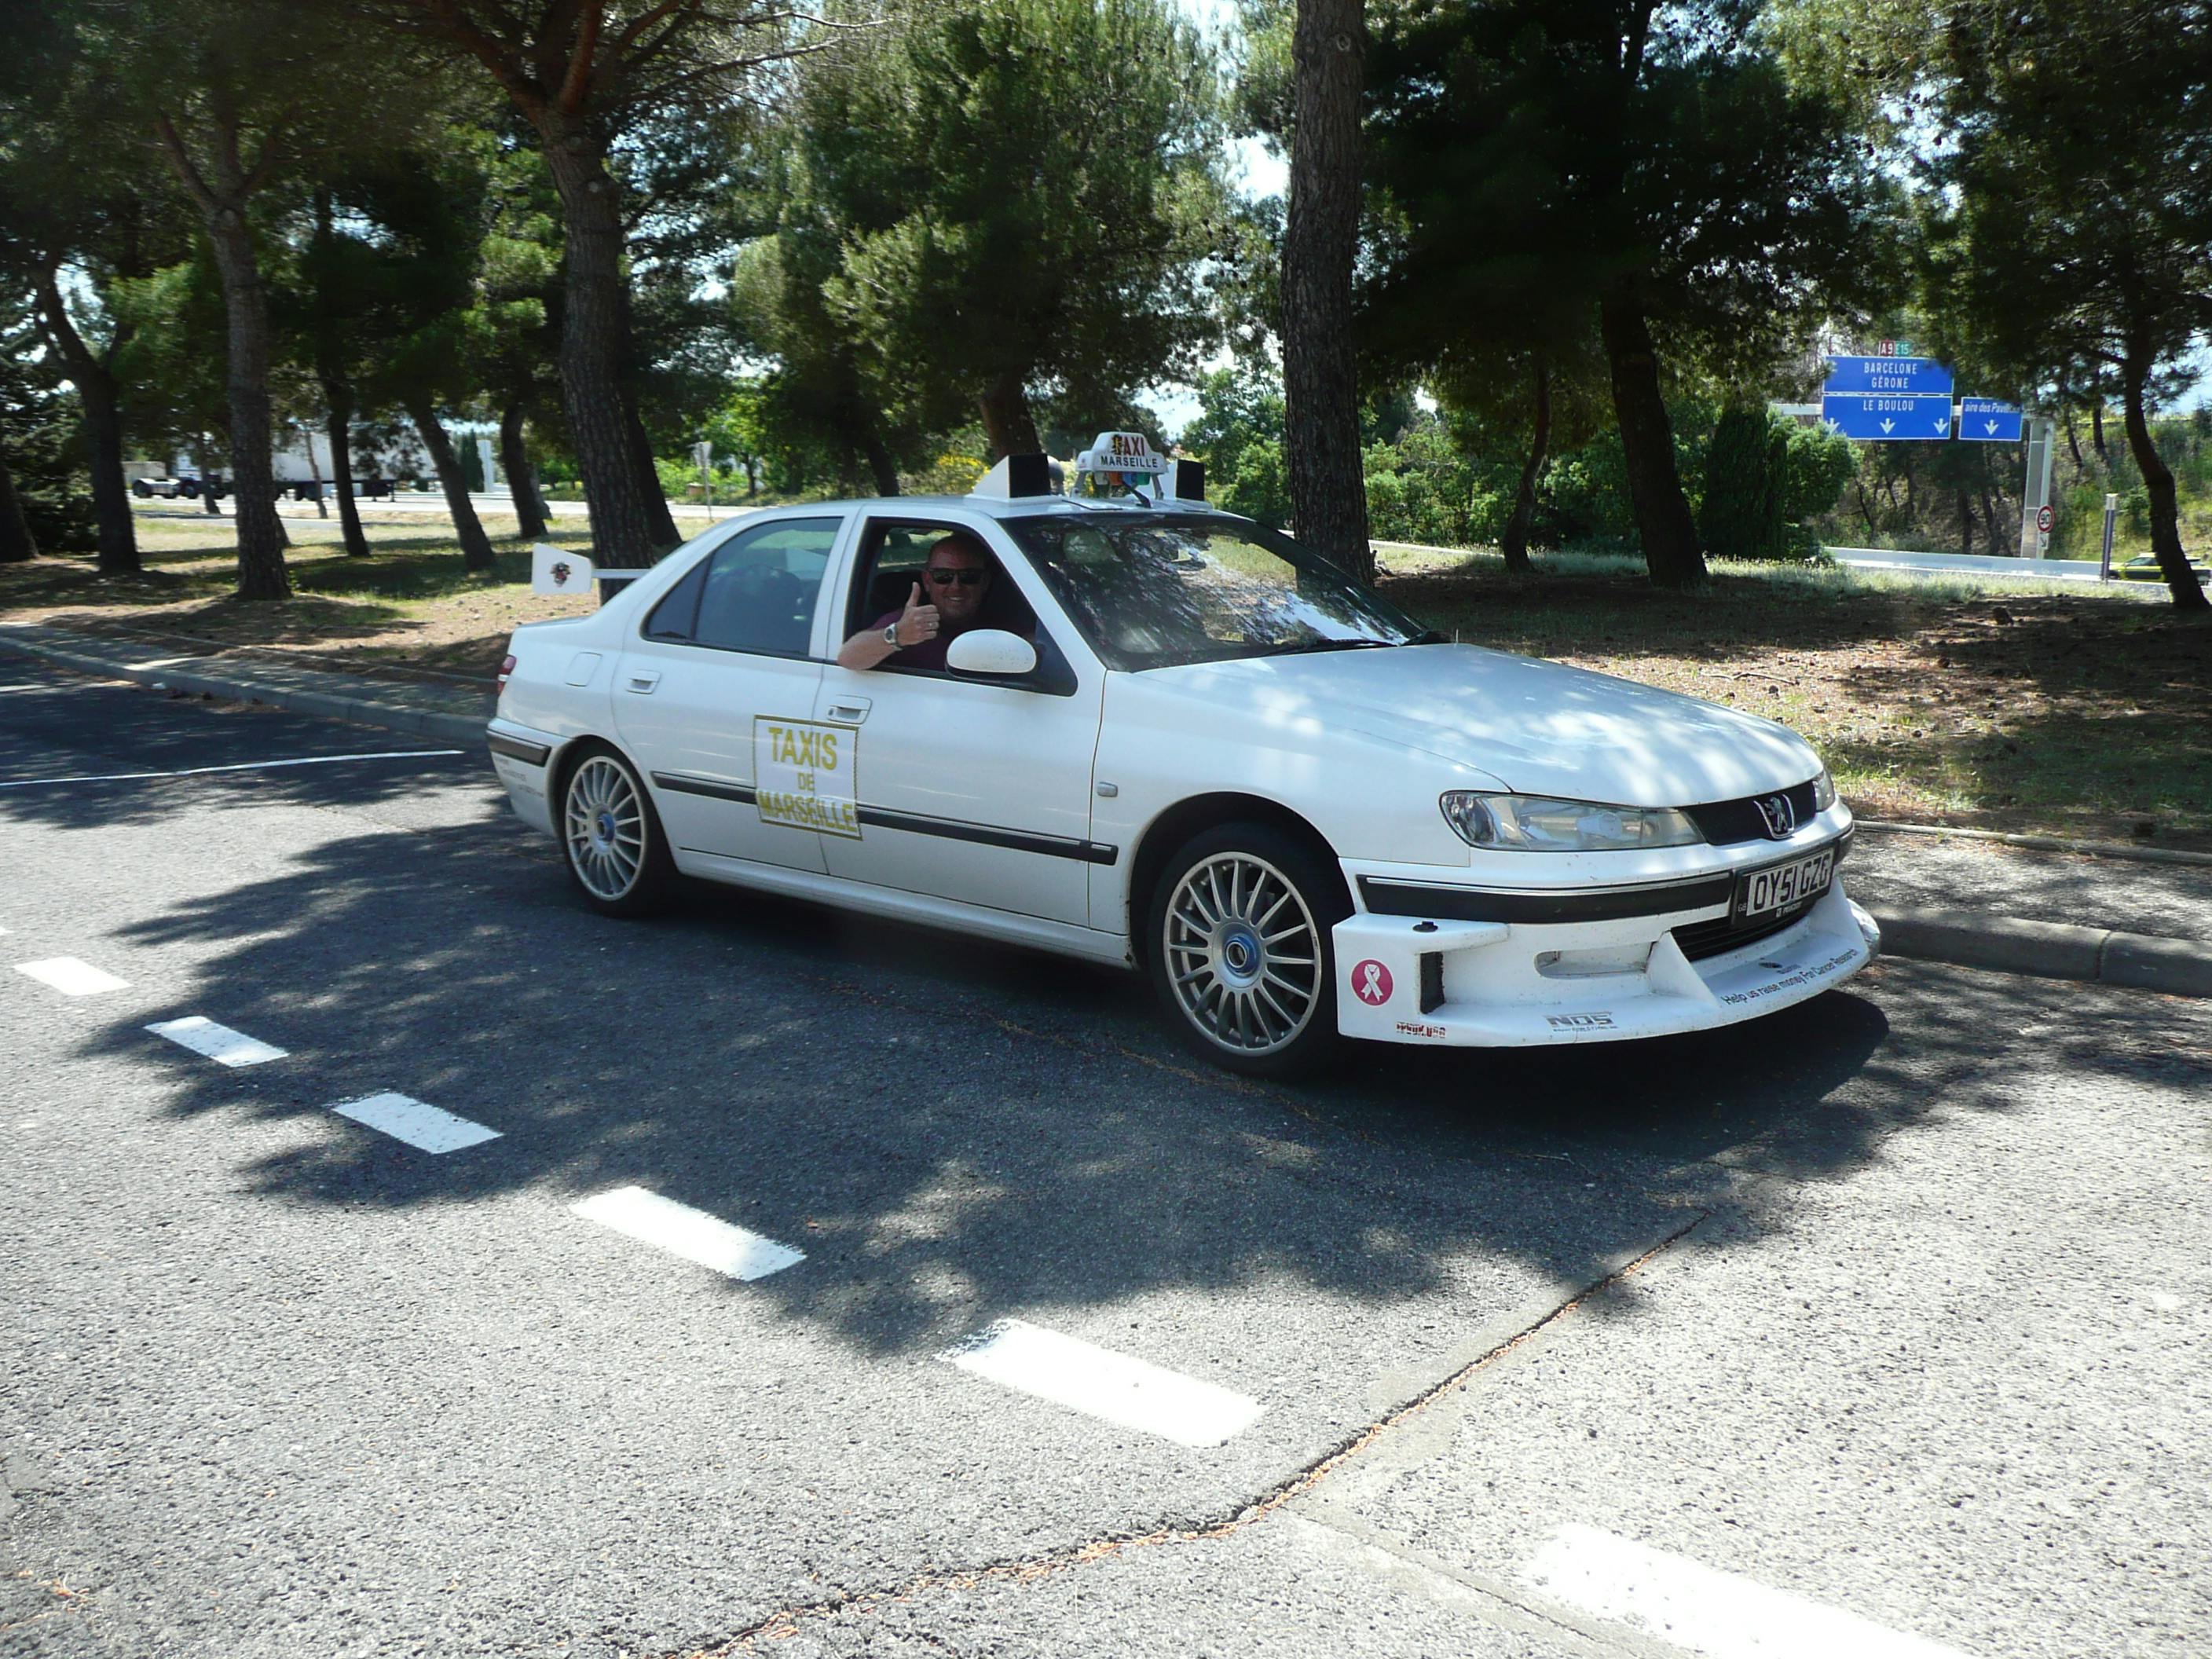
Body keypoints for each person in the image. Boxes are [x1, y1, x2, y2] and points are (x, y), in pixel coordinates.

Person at [836, 532, 1016, 670]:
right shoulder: (909, 623)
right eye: (943, 576)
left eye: (969, 577)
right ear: (927, 581)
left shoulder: (1003, 625)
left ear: (985, 582)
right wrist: (898, 636)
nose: (956, 587)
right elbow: (848, 658)